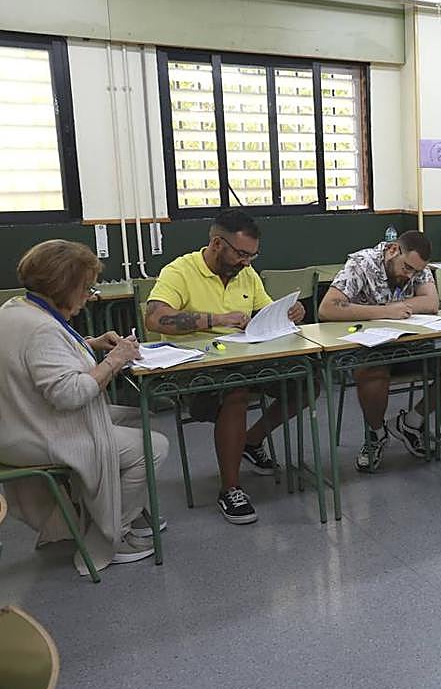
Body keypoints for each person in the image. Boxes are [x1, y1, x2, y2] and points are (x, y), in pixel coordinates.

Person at [0, 240, 168, 573]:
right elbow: (70, 394)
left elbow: (40, 362)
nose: (88, 295)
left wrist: (88, 345)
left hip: (19, 422)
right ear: (64, 286)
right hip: (38, 434)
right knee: (153, 447)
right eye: (85, 287)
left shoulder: (15, 309)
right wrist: (116, 360)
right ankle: (108, 535)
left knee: (139, 416)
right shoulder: (41, 329)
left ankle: (117, 509)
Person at [145, 209, 307, 526]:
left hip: (244, 358)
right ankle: (230, 489)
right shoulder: (180, 271)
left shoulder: (246, 274)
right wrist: (216, 320)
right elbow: (154, 318)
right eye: (242, 254)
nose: (247, 262)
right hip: (194, 371)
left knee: (304, 381)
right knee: (237, 392)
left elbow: (265, 313)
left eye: (253, 255)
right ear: (218, 244)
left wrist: (287, 313)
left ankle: (251, 439)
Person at [318, 229, 441, 473]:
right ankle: (377, 433)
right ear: (392, 250)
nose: (409, 275)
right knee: (371, 375)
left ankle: (410, 422)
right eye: (406, 268)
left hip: (410, 344)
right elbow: (327, 309)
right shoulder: (361, 263)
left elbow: (431, 303)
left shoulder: (417, 266)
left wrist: (399, 306)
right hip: (372, 348)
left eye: (416, 272)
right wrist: (384, 311)